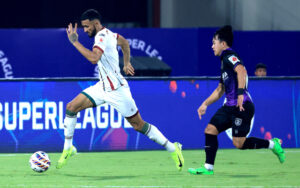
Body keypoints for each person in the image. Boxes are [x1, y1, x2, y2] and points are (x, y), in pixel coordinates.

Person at [56, 9, 184, 171]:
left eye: (87, 26)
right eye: (84, 27)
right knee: (71, 107)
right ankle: (68, 149)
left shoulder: (101, 37)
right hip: (102, 87)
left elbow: (94, 58)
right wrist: (126, 63)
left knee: (139, 125)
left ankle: (173, 148)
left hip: (117, 90)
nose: (85, 30)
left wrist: (75, 42)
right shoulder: (110, 34)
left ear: (96, 23)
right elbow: (124, 43)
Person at [188, 25, 285, 175]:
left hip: (242, 105)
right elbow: (220, 90)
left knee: (238, 143)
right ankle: (208, 168)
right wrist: (205, 104)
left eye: (214, 42)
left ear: (223, 43)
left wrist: (240, 93)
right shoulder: (223, 63)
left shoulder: (229, 56)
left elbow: (241, 70)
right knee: (210, 130)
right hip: (229, 107)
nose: (212, 46)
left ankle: (273, 144)